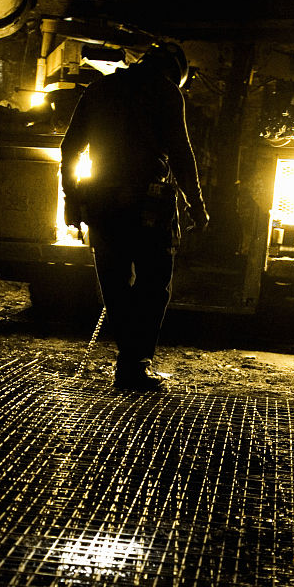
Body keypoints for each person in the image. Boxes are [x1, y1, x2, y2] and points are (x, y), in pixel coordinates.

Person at [60, 41, 209, 391]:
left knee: (114, 284)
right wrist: (196, 204)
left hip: (102, 201)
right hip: (149, 203)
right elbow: (181, 152)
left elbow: (70, 147)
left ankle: (129, 362)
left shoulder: (100, 88)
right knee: (153, 285)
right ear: (175, 72)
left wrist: (72, 198)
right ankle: (135, 363)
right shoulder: (167, 92)